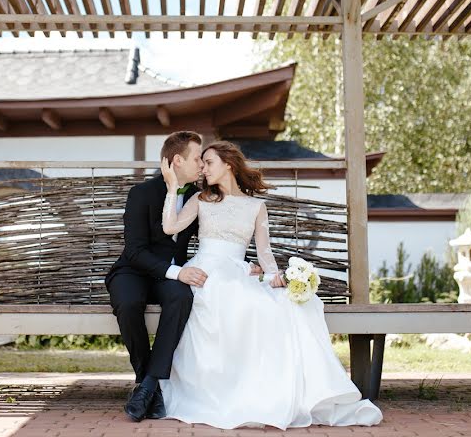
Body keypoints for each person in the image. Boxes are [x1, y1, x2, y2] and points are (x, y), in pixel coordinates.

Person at [157, 141, 383, 430]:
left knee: (277, 306)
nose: (203, 169)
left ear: (228, 164)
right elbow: (169, 228)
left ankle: (268, 388)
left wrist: (276, 277)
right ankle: (223, 385)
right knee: (231, 297)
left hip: (237, 270)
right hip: (205, 270)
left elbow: (264, 252)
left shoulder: (255, 206)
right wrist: (172, 187)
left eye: (209, 162)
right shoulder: (201, 199)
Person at [104, 131, 208, 422]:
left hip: (170, 280)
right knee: (128, 303)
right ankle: (147, 379)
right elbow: (134, 251)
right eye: (197, 157)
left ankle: (148, 386)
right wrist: (179, 271)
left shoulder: (197, 199)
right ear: (177, 160)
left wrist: (246, 264)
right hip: (133, 271)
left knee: (181, 297)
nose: (202, 164)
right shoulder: (141, 194)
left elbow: (217, 237)